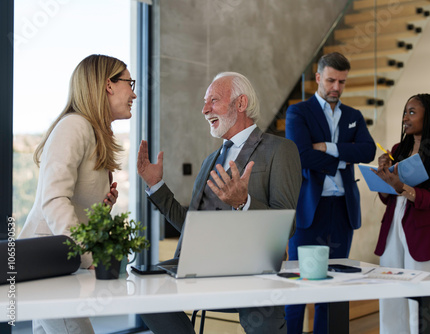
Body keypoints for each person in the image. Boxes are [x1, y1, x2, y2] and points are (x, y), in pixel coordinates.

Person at [137, 72, 302, 334]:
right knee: (143, 290)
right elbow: (191, 224)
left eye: (213, 100)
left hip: (252, 271)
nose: (204, 110)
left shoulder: (280, 150)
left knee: (265, 318)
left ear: (240, 103)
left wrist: (244, 202)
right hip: (199, 266)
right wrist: (157, 186)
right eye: (205, 102)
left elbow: (287, 225)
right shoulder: (210, 160)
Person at [19, 54, 136, 334]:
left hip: (57, 263)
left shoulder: (91, 132)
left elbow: (72, 201)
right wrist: (86, 253)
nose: (133, 92)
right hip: (50, 261)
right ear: (108, 85)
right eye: (129, 83)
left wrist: (101, 207)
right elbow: (54, 199)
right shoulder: (74, 126)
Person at [284, 52, 376, 333]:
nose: (336, 87)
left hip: (343, 211)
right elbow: (300, 155)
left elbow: (369, 151)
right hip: (309, 211)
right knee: (299, 285)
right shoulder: (298, 112)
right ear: (318, 78)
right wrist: (346, 158)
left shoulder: (353, 116)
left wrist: (328, 147)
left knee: (335, 287)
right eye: (331, 80)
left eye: (342, 82)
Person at [373, 94, 430, 334]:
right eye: (404, 112)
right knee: (390, 296)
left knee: (421, 301)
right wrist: (384, 177)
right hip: (392, 229)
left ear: (428, 116)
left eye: (412, 112)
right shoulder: (399, 149)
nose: (405, 118)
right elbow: (388, 198)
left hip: (423, 233)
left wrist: (401, 186)